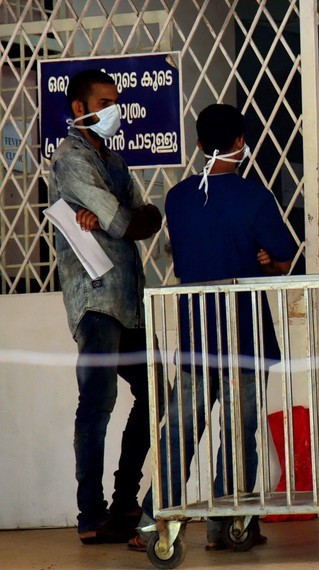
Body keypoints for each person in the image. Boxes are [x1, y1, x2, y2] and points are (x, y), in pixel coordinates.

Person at [130, 103, 295, 551]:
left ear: (200, 144)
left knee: (181, 428)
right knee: (239, 432)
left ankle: (152, 519)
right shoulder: (256, 197)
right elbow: (282, 257)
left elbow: (182, 259)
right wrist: (263, 260)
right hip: (245, 335)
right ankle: (230, 523)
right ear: (241, 142)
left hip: (197, 334)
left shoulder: (178, 198)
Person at [49, 69, 163, 544]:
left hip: (127, 299)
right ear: (80, 107)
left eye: (117, 101)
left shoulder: (112, 159)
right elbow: (127, 222)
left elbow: (148, 218)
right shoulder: (71, 158)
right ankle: (91, 515)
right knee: (97, 405)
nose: (115, 110)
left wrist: (126, 217)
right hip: (95, 300)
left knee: (157, 393)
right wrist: (123, 217)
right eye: (106, 101)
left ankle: (123, 502)